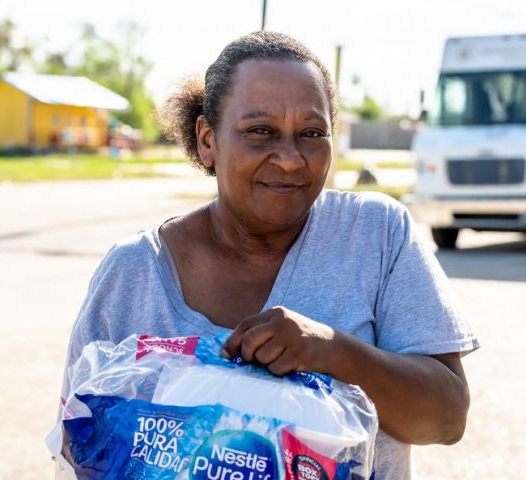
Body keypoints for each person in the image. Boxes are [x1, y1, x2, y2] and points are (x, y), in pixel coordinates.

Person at [58, 31, 478, 479]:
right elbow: (82, 444)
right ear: (207, 140)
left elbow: (445, 418)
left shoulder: (374, 236)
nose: (291, 158)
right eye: (260, 132)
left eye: (312, 134)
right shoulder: (134, 273)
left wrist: (334, 352)